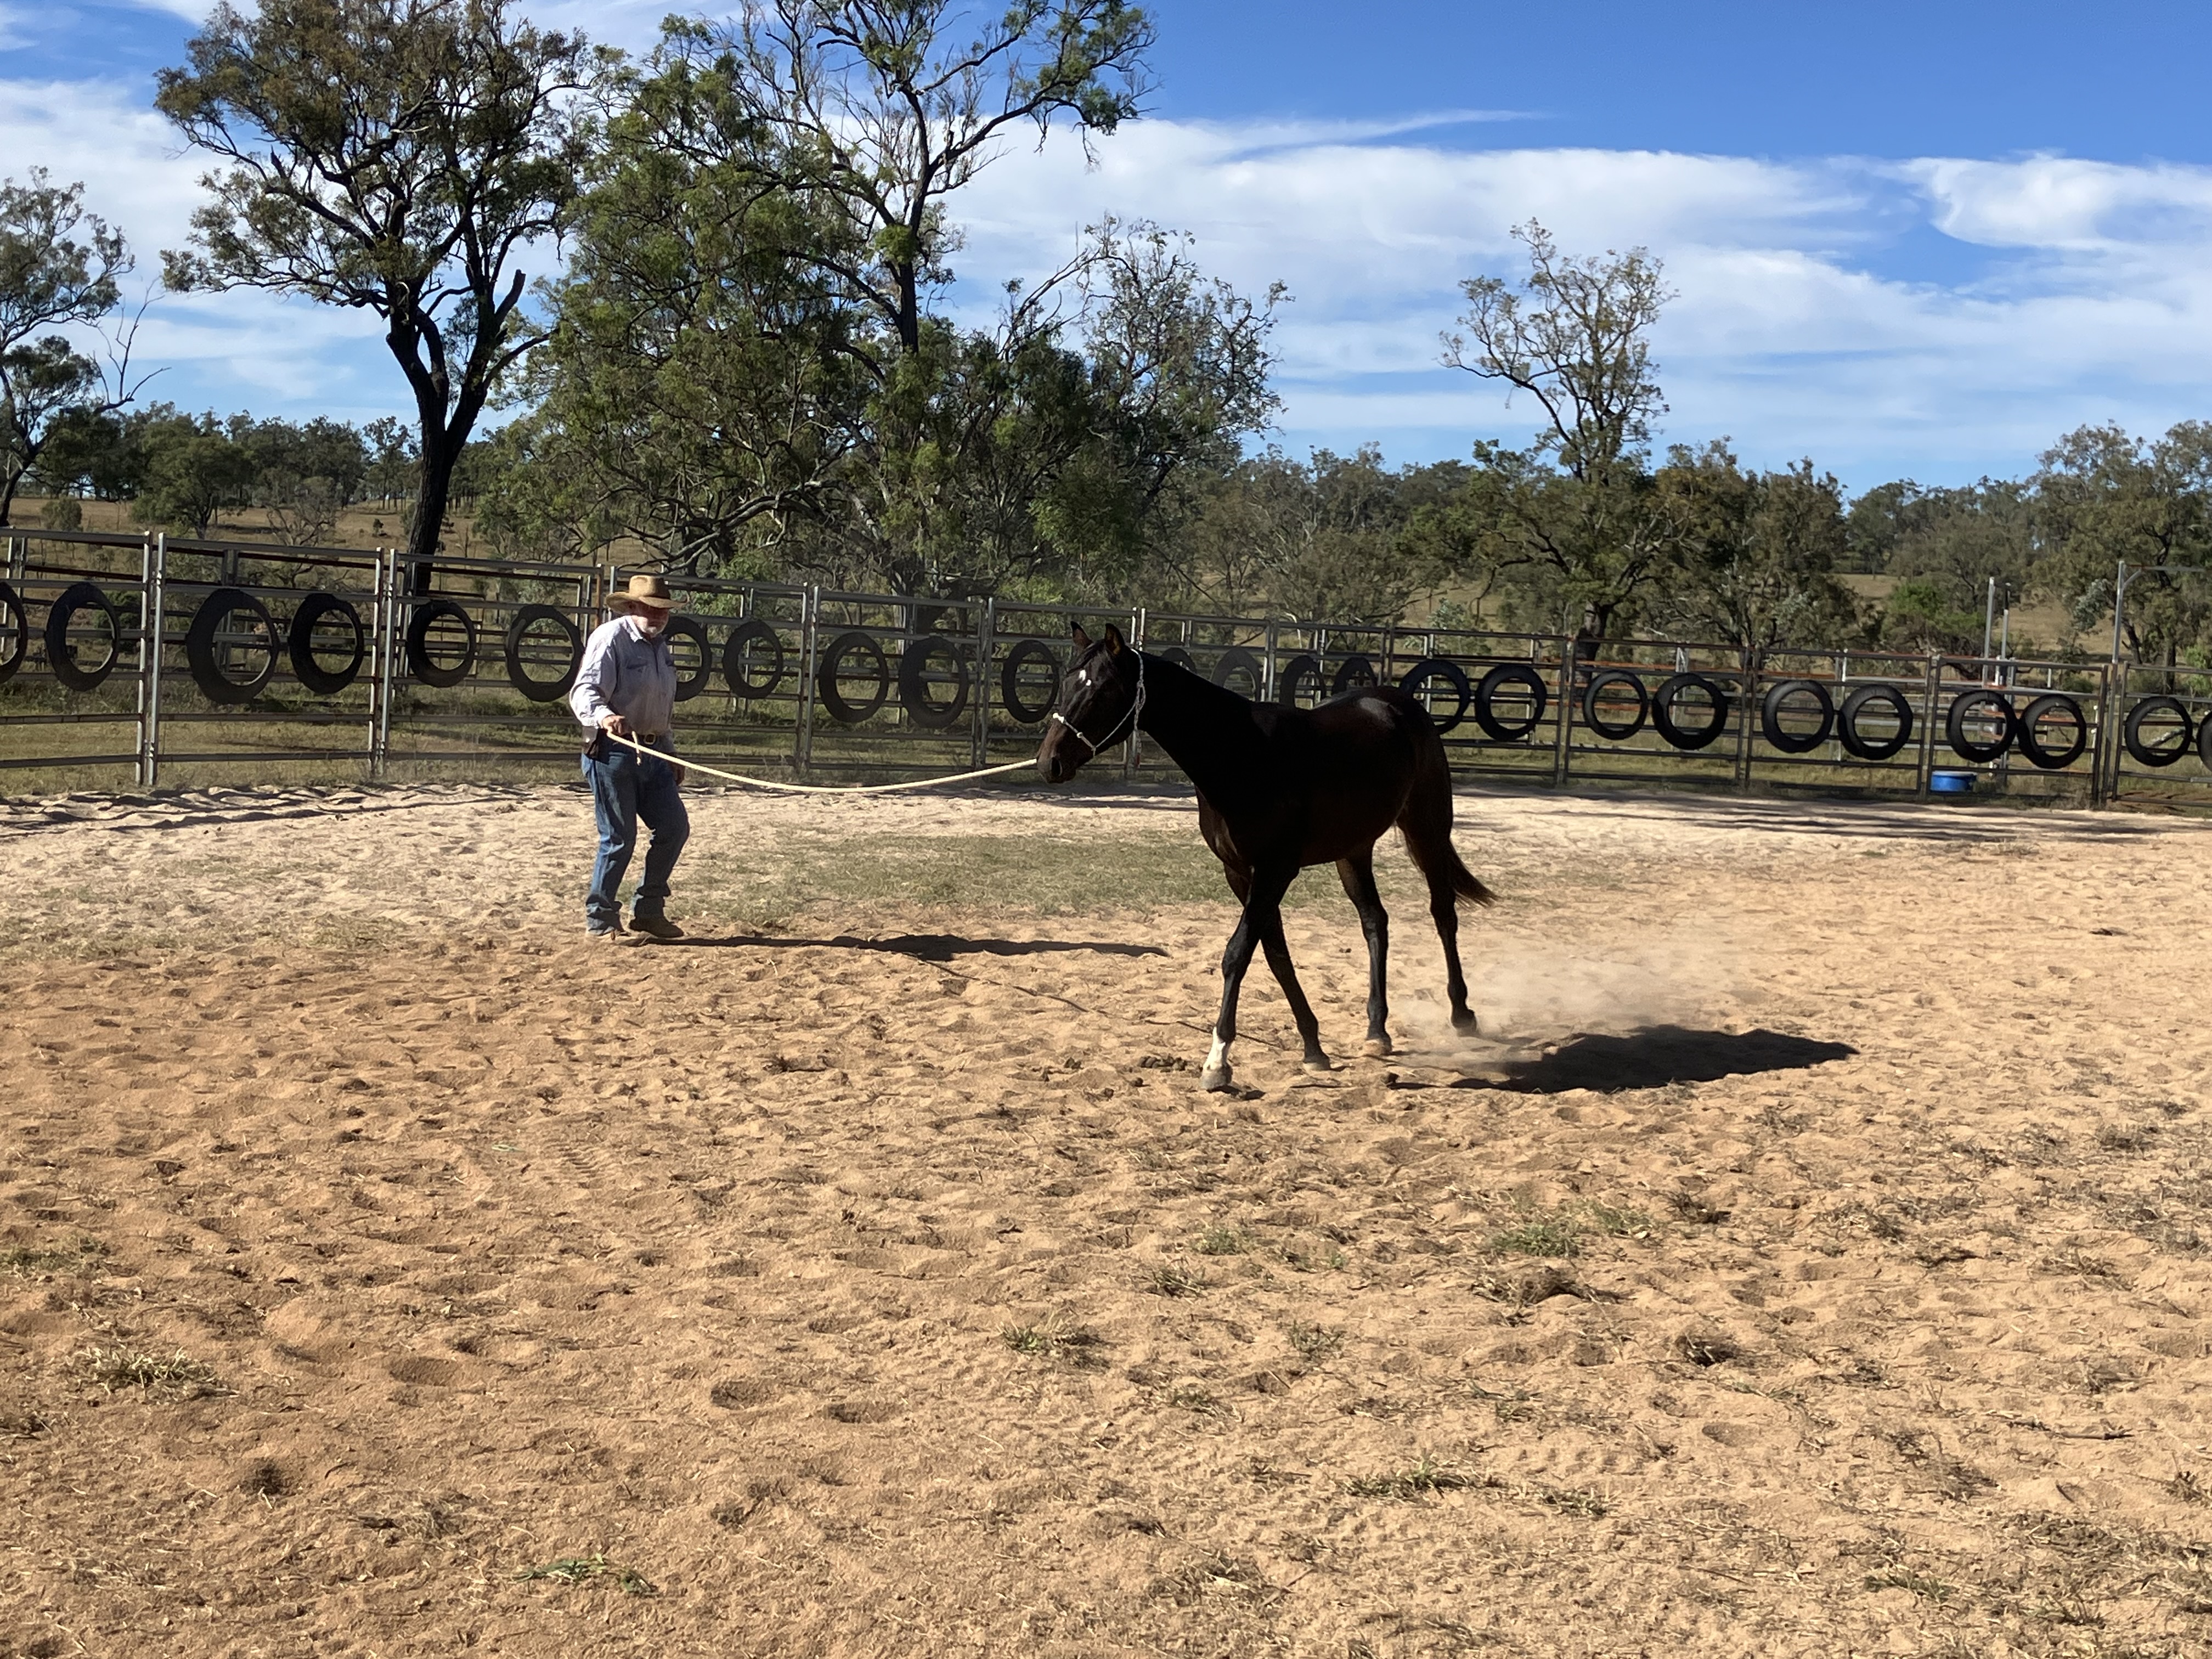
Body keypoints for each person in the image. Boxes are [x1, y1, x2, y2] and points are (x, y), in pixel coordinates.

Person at [570, 573, 691, 943]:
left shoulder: (660, 647)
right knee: (619, 837)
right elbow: (584, 691)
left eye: (663, 610)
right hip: (611, 753)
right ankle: (601, 918)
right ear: (634, 606)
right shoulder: (611, 639)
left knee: (673, 828)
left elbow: (660, 705)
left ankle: (649, 911)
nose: (658, 615)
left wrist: (669, 751)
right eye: (651, 608)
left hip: (653, 752)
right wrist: (605, 716)